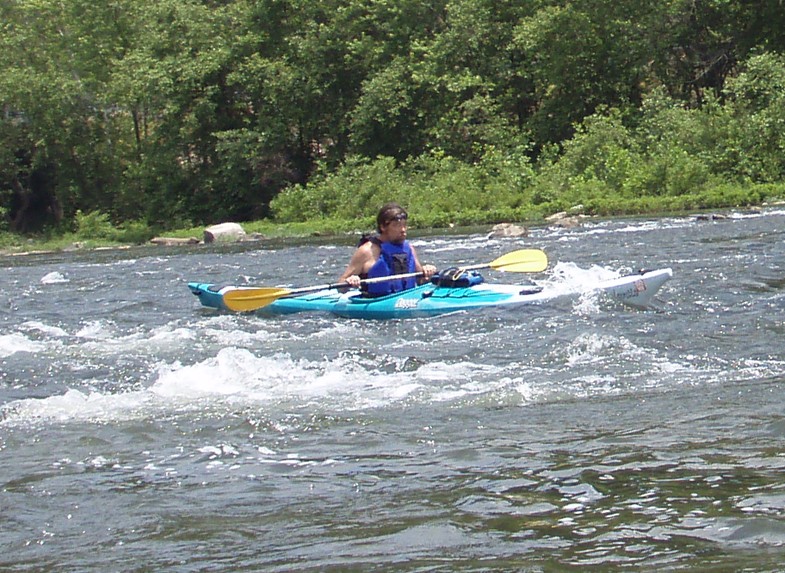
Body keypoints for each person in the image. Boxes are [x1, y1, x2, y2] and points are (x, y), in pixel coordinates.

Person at [338, 203, 437, 296]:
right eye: (397, 226)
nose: (403, 230)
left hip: (407, 298)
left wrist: (427, 272)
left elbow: (420, 281)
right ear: (383, 227)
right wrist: (350, 280)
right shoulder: (367, 251)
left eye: (404, 225)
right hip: (375, 302)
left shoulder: (409, 248)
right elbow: (341, 287)